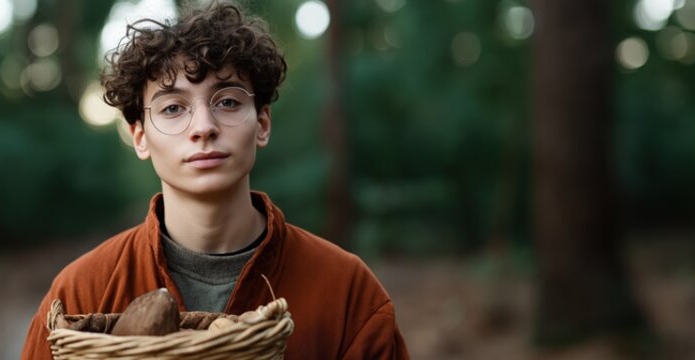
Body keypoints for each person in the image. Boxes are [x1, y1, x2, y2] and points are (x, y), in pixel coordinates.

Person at [21, 2, 409, 359]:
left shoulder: (348, 293)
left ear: (261, 123)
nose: (203, 127)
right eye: (173, 108)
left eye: (227, 101)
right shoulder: (80, 293)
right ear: (140, 137)